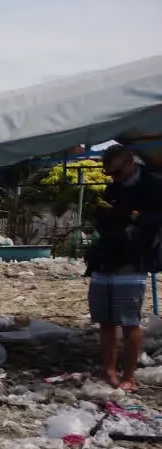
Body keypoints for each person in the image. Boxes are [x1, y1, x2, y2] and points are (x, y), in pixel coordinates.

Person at [88, 145, 162, 391]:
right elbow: (107, 220)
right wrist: (104, 215)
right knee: (106, 321)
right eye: (110, 175)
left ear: (131, 162)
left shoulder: (153, 186)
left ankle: (129, 376)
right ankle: (108, 369)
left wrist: (130, 216)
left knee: (129, 321)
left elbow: (154, 221)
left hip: (132, 261)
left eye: (117, 173)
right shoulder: (114, 188)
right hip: (107, 257)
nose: (114, 178)